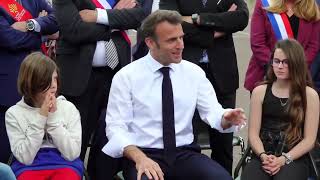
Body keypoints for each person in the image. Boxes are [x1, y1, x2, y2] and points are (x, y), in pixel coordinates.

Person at [102, 10, 247, 180]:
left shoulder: (194, 73)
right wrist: (140, 158)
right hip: (143, 154)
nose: (180, 45)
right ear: (150, 42)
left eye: (181, 37)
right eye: (172, 40)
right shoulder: (127, 77)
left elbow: (213, 112)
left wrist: (226, 117)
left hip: (184, 153)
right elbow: (115, 128)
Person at [53, 0, 146, 179]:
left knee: (110, 138)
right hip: (79, 78)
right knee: (75, 139)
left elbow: (138, 18)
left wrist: (98, 16)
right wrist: (114, 22)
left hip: (115, 75)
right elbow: (74, 30)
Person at [159, 0, 249, 174]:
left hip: (222, 76)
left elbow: (240, 18)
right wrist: (216, 30)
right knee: (186, 144)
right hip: (184, 75)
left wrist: (197, 19)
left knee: (223, 146)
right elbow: (171, 23)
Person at [241, 39, 320, 180]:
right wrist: (263, 156)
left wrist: (284, 159)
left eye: (286, 62)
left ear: (296, 64)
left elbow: (309, 140)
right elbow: (253, 135)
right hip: (263, 154)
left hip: (294, 157)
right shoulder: (260, 91)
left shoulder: (309, 95)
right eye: (276, 61)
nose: (280, 66)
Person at [5, 52, 83, 180]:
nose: (53, 85)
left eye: (55, 78)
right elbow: (25, 158)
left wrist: (52, 118)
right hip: (29, 166)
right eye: (48, 80)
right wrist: (41, 117)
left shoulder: (68, 108)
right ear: (31, 82)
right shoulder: (14, 113)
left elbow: (72, 153)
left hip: (65, 163)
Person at [0, 0, 58, 163]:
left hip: (36, 82)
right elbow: (9, 38)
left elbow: (57, 20)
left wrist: (30, 24)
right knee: (6, 148)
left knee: (34, 140)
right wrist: (42, 35)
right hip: (7, 86)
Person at [244, 0, 320, 92]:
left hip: (298, 78)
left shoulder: (312, 7)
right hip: (265, 76)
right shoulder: (264, 3)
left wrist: (296, 67)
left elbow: (313, 45)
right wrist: (276, 65)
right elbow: (257, 43)